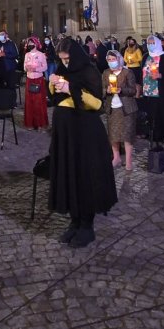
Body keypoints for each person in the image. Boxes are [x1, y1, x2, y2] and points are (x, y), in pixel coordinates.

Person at [48, 39, 117, 247]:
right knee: (69, 173)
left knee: (85, 175)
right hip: (65, 131)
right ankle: (74, 221)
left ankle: (87, 225)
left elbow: (97, 103)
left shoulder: (89, 71)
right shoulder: (62, 68)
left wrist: (71, 88)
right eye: (62, 60)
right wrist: (53, 83)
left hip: (84, 131)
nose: (65, 63)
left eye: (68, 59)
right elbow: (54, 97)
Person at [138, 34, 164, 145]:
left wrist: (161, 75)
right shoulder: (145, 56)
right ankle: (155, 135)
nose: (150, 45)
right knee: (153, 114)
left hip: (163, 91)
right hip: (149, 91)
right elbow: (141, 72)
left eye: (152, 43)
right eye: (149, 43)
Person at [103, 49, 140, 170]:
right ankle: (116, 157)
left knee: (127, 135)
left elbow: (133, 90)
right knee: (113, 135)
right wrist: (106, 91)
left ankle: (129, 160)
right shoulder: (106, 73)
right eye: (109, 60)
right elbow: (101, 90)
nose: (111, 62)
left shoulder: (127, 72)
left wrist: (121, 90)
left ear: (119, 59)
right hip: (112, 108)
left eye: (113, 59)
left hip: (127, 108)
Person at [23, 37, 48, 130]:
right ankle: (30, 123)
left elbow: (45, 67)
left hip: (38, 79)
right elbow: (24, 66)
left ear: (35, 44)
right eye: (28, 43)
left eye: (31, 43)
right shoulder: (27, 55)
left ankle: (40, 123)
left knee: (39, 102)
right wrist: (27, 68)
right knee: (29, 102)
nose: (30, 45)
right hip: (29, 79)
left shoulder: (41, 55)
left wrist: (36, 69)